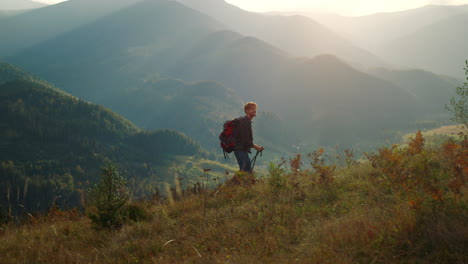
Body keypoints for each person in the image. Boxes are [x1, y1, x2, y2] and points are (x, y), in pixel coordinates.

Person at [234, 102, 265, 173]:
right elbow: (245, 141)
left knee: (246, 171)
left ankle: (235, 183)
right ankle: (233, 183)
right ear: (247, 111)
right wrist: (256, 147)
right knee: (246, 172)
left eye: (255, 109)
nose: (254, 111)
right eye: (252, 109)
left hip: (241, 150)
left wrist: (256, 146)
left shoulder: (245, 121)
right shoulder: (244, 122)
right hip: (240, 150)